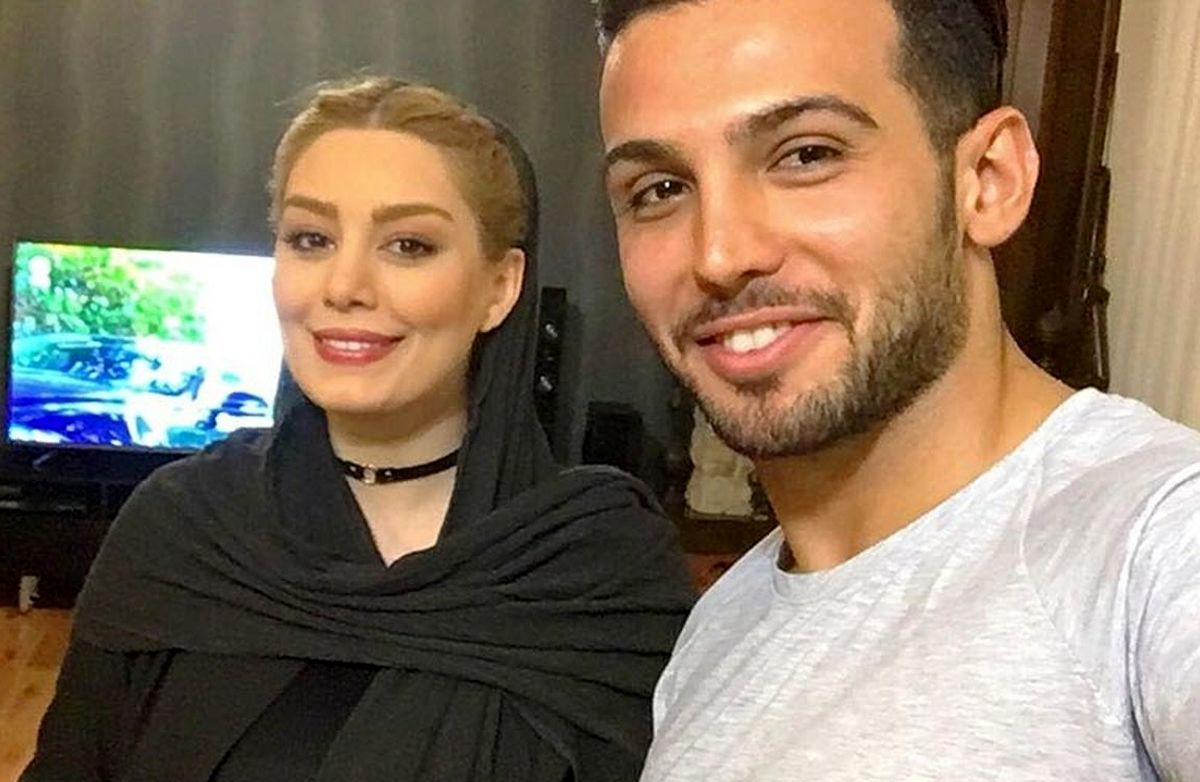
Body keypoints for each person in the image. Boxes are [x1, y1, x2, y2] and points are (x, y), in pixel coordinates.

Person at [23, 76, 694, 782]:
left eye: (408, 245)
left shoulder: (597, 570)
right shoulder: (180, 530)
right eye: (310, 239)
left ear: (499, 287)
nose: (343, 286)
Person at [594, 0, 1200, 779]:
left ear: (988, 180)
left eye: (806, 154)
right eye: (658, 189)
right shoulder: (720, 631)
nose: (718, 254)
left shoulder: (1157, 542)